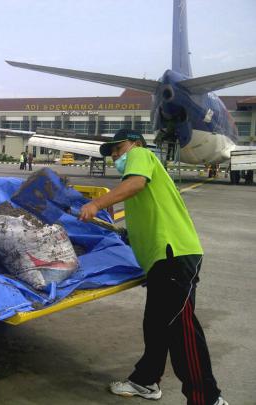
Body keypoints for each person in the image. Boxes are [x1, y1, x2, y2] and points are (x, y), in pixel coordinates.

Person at [79, 129, 227, 405]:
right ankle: (145, 381)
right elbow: (148, 215)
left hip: (174, 256)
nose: (115, 155)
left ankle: (206, 398)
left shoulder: (141, 155)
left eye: (117, 148)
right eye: (110, 153)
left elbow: (135, 183)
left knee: (181, 330)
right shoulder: (143, 183)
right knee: (156, 325)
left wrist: (96, 203)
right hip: (162, 261)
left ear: (135, 143)